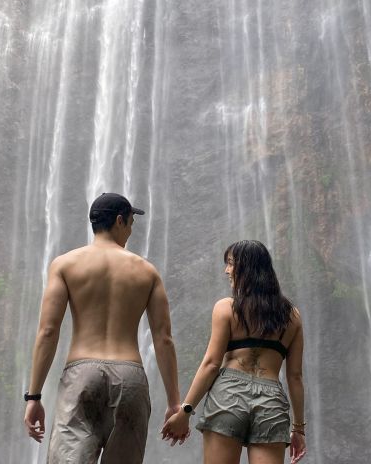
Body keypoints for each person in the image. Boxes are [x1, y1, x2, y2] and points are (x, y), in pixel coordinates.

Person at [23, 192, 182, 464]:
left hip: (81, 375)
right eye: (131, 223)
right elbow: (163, 339)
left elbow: (48, 331)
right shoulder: (147, 272)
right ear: (119, 221)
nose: (131, 231)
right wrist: (174, 404)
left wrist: (34, 396)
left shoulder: (64, 265)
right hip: (129, 377)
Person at [162, 239, 307, 464]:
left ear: (247, 268)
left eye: (231, 263)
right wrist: (299, 428)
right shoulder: (292, 316)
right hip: (271, 401)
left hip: (228, 396)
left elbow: (211, 364)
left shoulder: (226, 308)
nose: (226, 270)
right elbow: (295, 376)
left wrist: (185, 411)